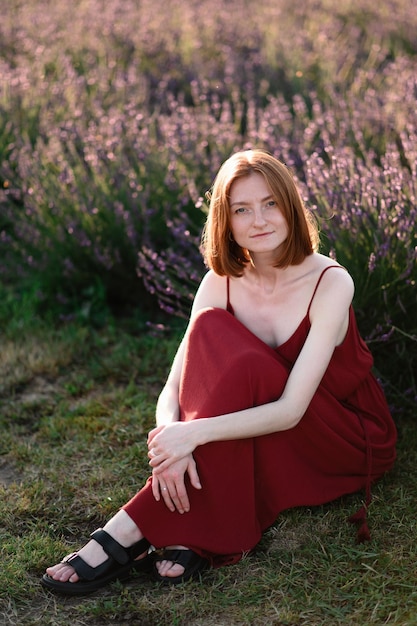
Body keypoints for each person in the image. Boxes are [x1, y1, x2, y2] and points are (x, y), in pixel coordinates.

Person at [41, 149, 397, 595]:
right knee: (211, 331)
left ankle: (128, 531)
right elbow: (174, 385)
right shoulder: (220, 281)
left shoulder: (330, 282)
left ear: (290, 205)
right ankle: (196, 527)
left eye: (270, 203)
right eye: (241, 210)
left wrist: (195, 435)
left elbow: (289, 409)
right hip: (260, 423)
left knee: (246, 367)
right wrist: (170, 443)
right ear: (225, 222)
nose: (259, 220)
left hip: (339, 432)